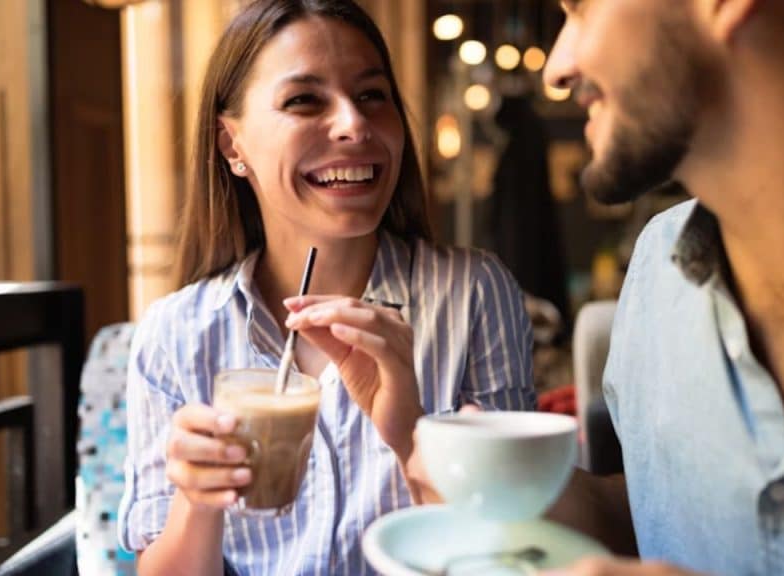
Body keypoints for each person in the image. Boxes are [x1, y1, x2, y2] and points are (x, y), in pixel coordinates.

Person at [411, 1, 784, 575]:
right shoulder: (659, 267)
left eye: (582, 9)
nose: (557, 68)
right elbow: (659, 513)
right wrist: (522, 495)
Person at [116, 1, 536, 574]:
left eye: (372, 95)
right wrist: (197, 500)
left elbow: (513, 551)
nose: (354, 125)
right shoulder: (175, 333)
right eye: (304, 101)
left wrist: (412, 436)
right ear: (232, 145)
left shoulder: (474, 295)